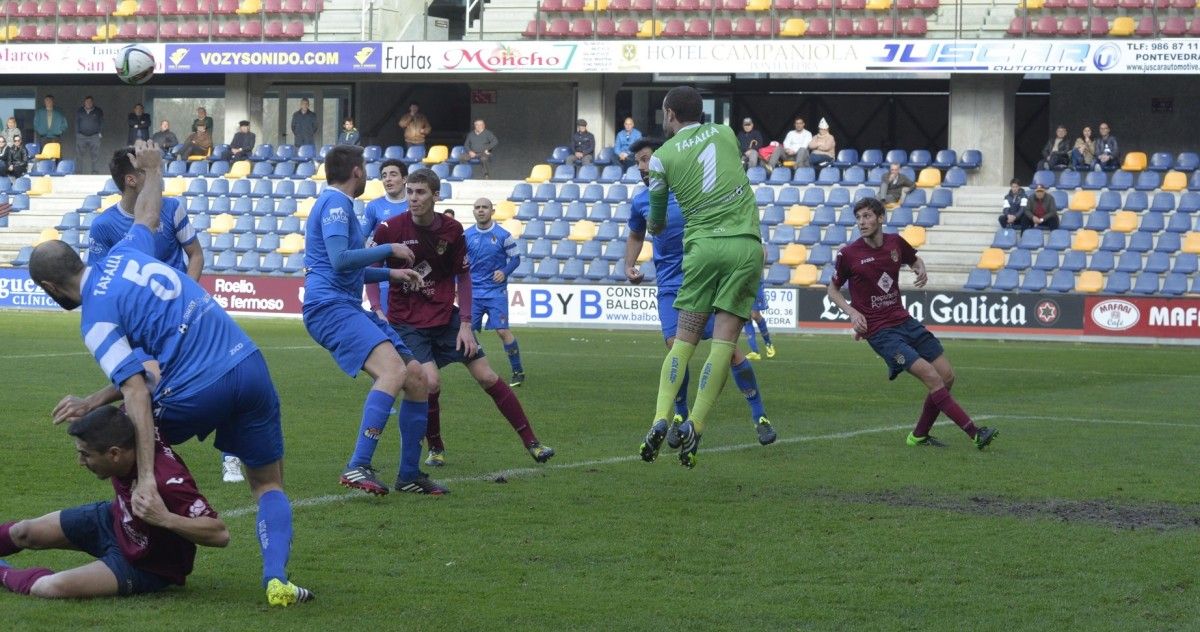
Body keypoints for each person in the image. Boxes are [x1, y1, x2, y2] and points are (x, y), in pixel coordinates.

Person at [29, 140, 313, 606]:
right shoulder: (126, 250)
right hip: (249, 364)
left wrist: (144, 475)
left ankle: (143, 541)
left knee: (121, 444)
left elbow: (137, 391)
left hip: (198, 386)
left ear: (49, 287)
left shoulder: (94, 317)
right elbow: (148, 215)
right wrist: (157, 168)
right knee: (268, 484)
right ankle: (275, 579)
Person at [373, 168, 555, 468]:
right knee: (430, 382)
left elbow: (463, 276)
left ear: (436, 195)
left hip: (446, 317)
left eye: (421, 192)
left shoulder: (452, 230)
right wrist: (377, 308)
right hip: (407, 322)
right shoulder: (389, 228)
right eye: (410, 192)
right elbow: (371, 266)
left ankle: (532, 443)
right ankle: (436, 447)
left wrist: (467, 324)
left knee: (487, 376)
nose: (413, 198)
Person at [87, 145, 241, 483]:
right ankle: (151, 469)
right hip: (140, 327)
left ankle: (231, 456)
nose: (155, 174)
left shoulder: (171, 208)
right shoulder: (104, 227)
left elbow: (195, 254)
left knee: (220, 379)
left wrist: (185, 298)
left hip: (182, 318)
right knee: (145, 392)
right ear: (131, 180)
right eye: (146, 169)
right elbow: (97, 278)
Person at [301, 145, 442, 496]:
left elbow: (348, 268)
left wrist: (392, 275)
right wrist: (389, 251)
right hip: (329, 306)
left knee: (417, 378)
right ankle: (357, 465)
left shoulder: (339, 204)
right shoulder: (335, 204)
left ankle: (409, 474)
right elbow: (339, 260)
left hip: (343, 302)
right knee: (393, 371)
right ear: (357, 172)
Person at [637, 86, 766, 469]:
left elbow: (657, 221)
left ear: (670, 114)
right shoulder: (726, 134)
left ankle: (662, 416)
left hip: (704, 250)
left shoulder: (661, 158)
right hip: (745, 247)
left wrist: (657, 225)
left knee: (682, 344)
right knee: (724, 345)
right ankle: (696, 423)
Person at [0, 407, 228, 599]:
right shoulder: (131, 424)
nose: (80, 462)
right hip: (114, 520)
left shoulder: (168, 482)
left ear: (114, 454)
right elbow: (136, 385)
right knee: (23, 531)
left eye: (86, 454)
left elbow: (220, 534)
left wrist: (165, 518)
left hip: (147, 566)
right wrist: (91, 402)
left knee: (50, 587)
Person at [826, 197, 998, 450]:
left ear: (880, 218)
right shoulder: (848, 254)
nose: (861, 222)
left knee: (947, 377)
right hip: (881, 332)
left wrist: (921, 268)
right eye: (859, 218)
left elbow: (914, 260)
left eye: (867, 216)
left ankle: (918, 436)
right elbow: (833, 290)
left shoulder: (895, 243)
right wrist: (852, 313)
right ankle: (975, 433)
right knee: (932, 377)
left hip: (904, 321)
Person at [465, 197, 527, 391]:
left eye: (485, 207)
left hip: (495, 292)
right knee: (467, 332)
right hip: (473, 292)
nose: (481, 210)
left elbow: (515, 258)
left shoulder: (503, 235)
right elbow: (459, 262)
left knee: (502, 331)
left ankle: (517, 370)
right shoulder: (466, 236)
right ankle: (480, 371)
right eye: (477, 207)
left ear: (492, 211)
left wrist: (505, 271)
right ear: (473, 211)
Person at [362, 159, 409, 322]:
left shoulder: (416, 204)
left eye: (393, 174)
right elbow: (361, 241)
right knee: (388, 332)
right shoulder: (373, 207)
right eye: (384, 175)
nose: (387, 179)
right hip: (383, 281)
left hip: (411, 279)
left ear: (404, 179)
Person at [742, 281, 775, 361]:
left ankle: (768, 343)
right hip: (742, 286)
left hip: (755, 285)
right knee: (746, 318)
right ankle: (755, 352)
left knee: (755, 315)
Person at [76, 96, 104, 175]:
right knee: (79, 155)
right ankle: (78, 172)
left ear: (93, 102)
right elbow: (77, 122)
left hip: (94, 136)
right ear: (84, 102)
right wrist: (77, 133)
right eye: (87, 102)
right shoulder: (80, 110)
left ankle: (95, 172)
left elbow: (102, 122)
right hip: (81, 136)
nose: (88, 103)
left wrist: (100, 133)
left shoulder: (98, 111)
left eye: (90, 102)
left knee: (95, 155)